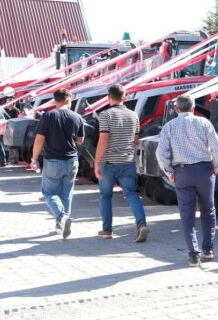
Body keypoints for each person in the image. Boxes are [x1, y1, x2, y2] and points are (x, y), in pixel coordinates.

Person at [156, 94, 218, 266]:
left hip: (182, 173)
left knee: (187, 214)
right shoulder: (204, 123)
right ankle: (208, 249)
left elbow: (160, 153)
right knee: (208, 210)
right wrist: (216, 164)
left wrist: (169, 171)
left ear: (176, 109)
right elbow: (217, 146)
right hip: (204, 171)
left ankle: (193, 254)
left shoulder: (169, 127)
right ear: (193, 108)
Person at [95, 84, 149, 242]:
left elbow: (103, 140)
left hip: (109, 162)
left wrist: (96, 162)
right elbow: (135, 140)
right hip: (128, 161)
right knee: (131, 194)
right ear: (124, 97)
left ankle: (107, 230)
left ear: (108, 97)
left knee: (105, 195)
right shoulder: (133, 115)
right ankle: (141, 225)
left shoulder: (105, 115)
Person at [30, 88, 85, 239]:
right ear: (69, 99)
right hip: (72, 160)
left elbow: (39, 139)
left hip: (53, 160)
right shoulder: (77, 117)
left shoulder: (48, 116)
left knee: (48, 193)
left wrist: (34, 158)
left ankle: (61, 218)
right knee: (66, 194)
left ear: (55, 100)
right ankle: (61, 225)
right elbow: (80, 141)